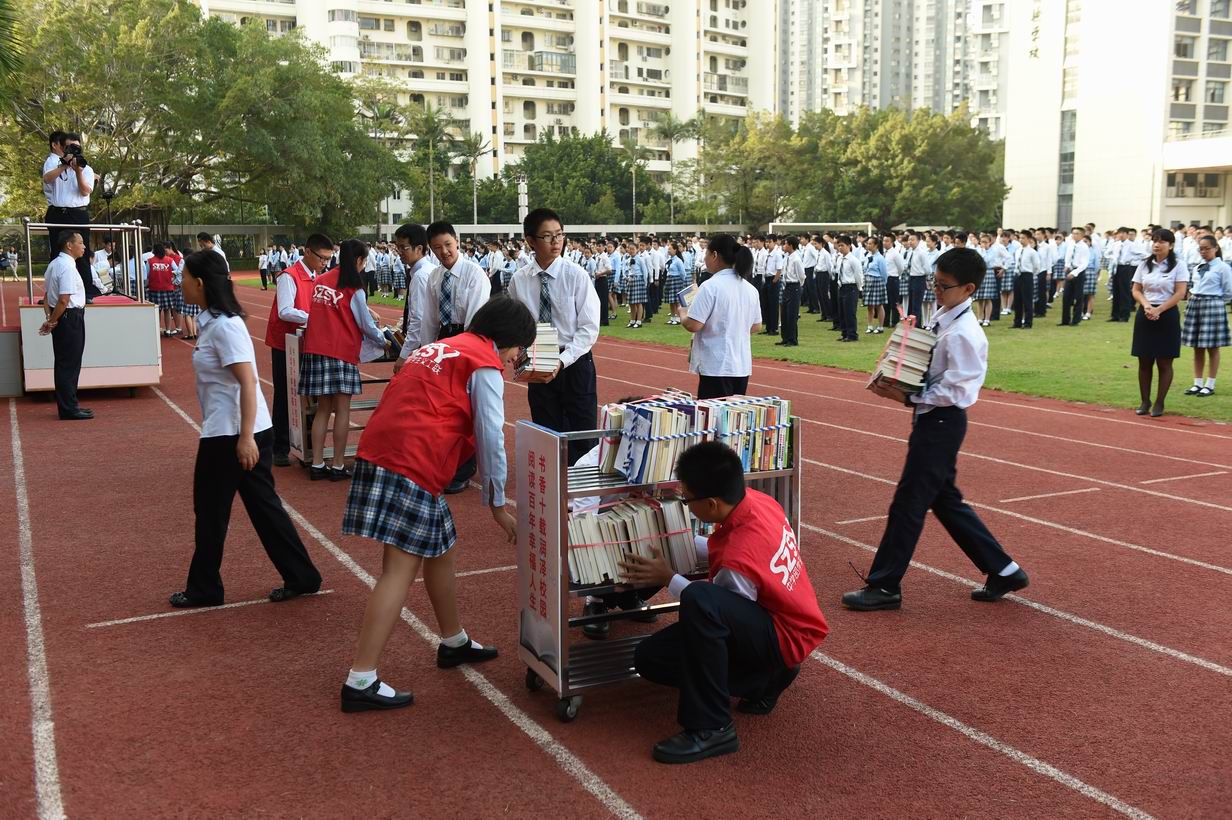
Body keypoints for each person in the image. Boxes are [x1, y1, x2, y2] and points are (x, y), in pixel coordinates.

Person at [339, 296, 532, 712]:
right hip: (412, 460)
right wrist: (498, 504)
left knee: (441, 548)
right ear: (508, 340)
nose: (517, 358)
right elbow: (491, 436)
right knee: (398, 569)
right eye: (520, 349)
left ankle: (453, 640)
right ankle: (361, 678)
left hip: (385, 448)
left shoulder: (443, 347)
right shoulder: (483, 363)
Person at [844, 247, 1029, 611]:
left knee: (909, 503)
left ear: (969, 288)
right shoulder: (945, 316)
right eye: (935, 282)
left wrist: (908, 397)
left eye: (944, 285)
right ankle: (1004, 570)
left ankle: (885, 585)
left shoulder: (965, 334)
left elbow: (958, 391)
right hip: (933, 419)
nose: (936, 290)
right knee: (944, 500)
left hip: (942, 422)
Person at [622, 441, 828, 765]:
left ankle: (712, 726)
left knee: (696, 607)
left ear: (712, 504)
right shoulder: (758, 502)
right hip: (782, 620)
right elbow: (724, 549)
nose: (686, 505)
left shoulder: (737, 562)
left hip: (780, 635)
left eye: (687, 499)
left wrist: (667, 577)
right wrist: (674, 539)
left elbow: (716, 613)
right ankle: (768, 677)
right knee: (651, 655)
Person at [170, 249, 323, 608]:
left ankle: (205, 588)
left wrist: (245, 438)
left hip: (232, 434)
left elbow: (248, 383)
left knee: (211, 511)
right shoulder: (213, 322)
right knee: (262, 508)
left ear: (200, 283)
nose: (180, 284)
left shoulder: (225, 326)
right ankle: (302, 575)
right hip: (233, 430)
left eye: (184, 278)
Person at [508, 208, 601, 466]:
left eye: (559, 234)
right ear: (530, 241)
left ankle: (581, 485)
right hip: (538, 361)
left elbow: (588, 328)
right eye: (547, 236)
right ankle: (552, 482)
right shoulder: (519, 280)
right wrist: (518, 352)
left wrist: (562, 360)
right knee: (546, 429)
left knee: (582, 431)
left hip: (574, 362)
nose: (556, 241)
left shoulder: (576, 276)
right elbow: (517, 324)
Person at [299, 239, 389, 481]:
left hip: (315, 350)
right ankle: (338, 465)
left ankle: (317, 463)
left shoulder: (320, 281)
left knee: (322, 410)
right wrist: (384, 340)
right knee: (342, 410)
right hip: (340, 352)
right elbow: (366, 325)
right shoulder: (354, 287)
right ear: (359, 260)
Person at [265, 233, 334, 467]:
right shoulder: (289, 276)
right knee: (285, 395)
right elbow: (285, 311)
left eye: (328, 259)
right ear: (307, 252)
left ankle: (310, 446)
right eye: (322, 258)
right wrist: (315, 317)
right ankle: (280, 447)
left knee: (312, 394)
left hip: (309, 342)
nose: (325, 263)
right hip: (285, 344)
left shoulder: (319, 277)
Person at [678, 234, 762, 400]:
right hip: (741, 365)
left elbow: (693, 325)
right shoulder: (750, 289)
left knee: (712, 413)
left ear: (714, 255)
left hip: (716, 365)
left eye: (706, 253)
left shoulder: (710, 286)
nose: (705, 258)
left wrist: (683, 313)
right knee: (734, 413)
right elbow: (756, 326)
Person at [1132, 228, 1189, 417]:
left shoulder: (1179, 265)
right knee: (1144, 360)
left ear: (1170, 245)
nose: (1157, 244)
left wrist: (1159, 309)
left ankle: (1159, 402)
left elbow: (1180, 293)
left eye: (1162, 241)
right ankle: (1145, 401)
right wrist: (1147, 305)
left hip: (1167, 314)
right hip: (1146, 313)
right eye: (1154, 241)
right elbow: (1136, 290)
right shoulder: (1144, 264)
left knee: (1164, 362)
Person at [42, 130, 100, 299]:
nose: (73, 150)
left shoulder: (86, 168)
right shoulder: (55, 164)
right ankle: (53, 294)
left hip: (78, 213)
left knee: (82, 252)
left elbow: (85, 191)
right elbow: (47, 179)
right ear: (62, 148)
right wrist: (64, 166)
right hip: (58, 213)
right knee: (56, 253)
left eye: (76, 147)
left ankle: (86, 293)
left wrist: (78, 171)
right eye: (69, 147)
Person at [41, 232, 92, 420]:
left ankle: (70, 404)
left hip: (64, 317)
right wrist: (52, 321)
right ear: (69, 245)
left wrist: (50, 318)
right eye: (81, 242)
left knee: (65, 363)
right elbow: (63, 299)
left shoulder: (54, 264)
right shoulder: (67, 267)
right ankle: (68, 408)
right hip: (70, 317)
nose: (84, 246)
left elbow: (47, 297)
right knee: (69, 364)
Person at [1182, 236, 1232, 398]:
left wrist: (1216, 302)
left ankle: (1210, 384)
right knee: (1197, 346)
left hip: (1213, 305)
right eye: (1201, 249)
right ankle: (1197, 383)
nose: (1203, 252)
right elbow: (1193, 286)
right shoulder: (1198, 267)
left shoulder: (1223, 267)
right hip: (1195, 304)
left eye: (1207, 249)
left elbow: (1228, 291)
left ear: (1215, 248)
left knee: (1212, 347)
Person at [146, 243, 180, 337]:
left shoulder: (150, 261)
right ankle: (168, 330)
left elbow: (146, 275)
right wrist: (173, 280)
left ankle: (157, 329)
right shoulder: (170, 260)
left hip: (154, 288)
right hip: (168, 288)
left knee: (157, 311)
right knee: (167, 310)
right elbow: (177, 271)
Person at [833, 235, 863, 342]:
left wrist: (859, 288)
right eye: (839, 246)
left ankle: (852, 334)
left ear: (849, 246)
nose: (840, 248)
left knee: (849, 312)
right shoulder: (840, 259)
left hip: (851, 287)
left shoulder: (853, 260)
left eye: (842, 245)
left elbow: (858, 275)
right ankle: (844, 333)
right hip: (842, 286)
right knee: (842, 311)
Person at [1060, 226, 1089, 326]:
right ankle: (1065, 320)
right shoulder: (1071, 244)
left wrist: (1074, 273)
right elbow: (1068, 256)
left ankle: (1076, 320)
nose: (1074, 235)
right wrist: (1067, 265)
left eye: (1077, 233)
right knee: (1066, 297)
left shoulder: (1084, 247)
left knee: (1078, 297)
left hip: (1078, 272)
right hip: (1070, 270)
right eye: (1073, 233)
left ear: (1082, 235)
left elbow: (1084, 264)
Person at [1012, 231, 1041, 329]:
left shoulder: (1032, 252)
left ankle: (1028, 322)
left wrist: (1031, 274)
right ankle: (1017, 322)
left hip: (1027, 275)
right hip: (1017, 275)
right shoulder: (1018, 250)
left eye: (1023, 238)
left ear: (1029, 239)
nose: (1021, 240)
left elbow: (1037, 266)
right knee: (1017, 300)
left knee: (1027, 300)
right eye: (1020, 238)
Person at [862, 237, 887, 334]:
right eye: (867, 243)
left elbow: (884, 273)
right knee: (869, 306)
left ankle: (880, 327)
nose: (868, 245)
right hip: (868, 281)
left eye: (870, 243)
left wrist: (883, 283)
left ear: (876, 245)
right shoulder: (868, 255)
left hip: (877, 281)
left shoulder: (880, 258)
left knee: (879, 305)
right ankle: (870, 326)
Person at [663, 241, 688, 326]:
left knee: (676, 301)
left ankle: (678, 318)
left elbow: (683, 273)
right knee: (671, 301)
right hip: (670, 280)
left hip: (676, 280)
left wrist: (680, 281)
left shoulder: (678, 261)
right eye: (668, 249)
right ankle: (672, 318)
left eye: (670, 249)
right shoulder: (669, 260)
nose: (668, 250)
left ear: (675, 250)